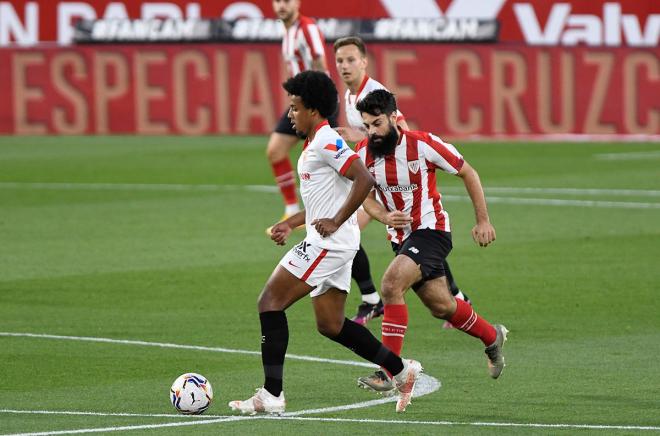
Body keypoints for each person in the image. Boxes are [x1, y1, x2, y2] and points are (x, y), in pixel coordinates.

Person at [228, 71, 423, 415]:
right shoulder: (314, 144)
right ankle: (401, 370)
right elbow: (324, 199)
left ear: (314, 110)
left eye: (295, 107)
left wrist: (336, 220)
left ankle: (271, 396)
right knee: (330, 325)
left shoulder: (326, 141)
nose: (290, 115)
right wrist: (290, 223)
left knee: (269, 303)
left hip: (328, 245)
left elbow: (361, 178)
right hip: (333, 242)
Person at [352, 89, 508, 394]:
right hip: (401, 239)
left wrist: (483, 220)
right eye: (367, 126)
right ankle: (492, 336)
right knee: (443, 306)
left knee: (390, 284)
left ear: (395, 118)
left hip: (432, 231)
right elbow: (366, 197)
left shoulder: (423, 144)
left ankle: (390, 371)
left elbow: (468, 172)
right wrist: (384, 217)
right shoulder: (363, 154)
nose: (372, 132)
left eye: (378, 124)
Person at [333, 36, 472, 328]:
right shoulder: (348, 96)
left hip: (394, 178)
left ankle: (371, 297)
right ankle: (456, 297)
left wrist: (357, 138)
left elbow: (402, 133)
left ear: (364, 62)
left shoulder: (375, 92)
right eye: (340, 61)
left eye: (350, 60)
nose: (344, 66)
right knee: (412, 236)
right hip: (377, 179)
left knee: (358, 230)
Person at [266, 0, 337, 234]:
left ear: (297, 3)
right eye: (277, 1)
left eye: (286, 1)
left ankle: (346, 209)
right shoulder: (288, 31)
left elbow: (319, 63)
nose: (281, 6)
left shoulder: (307, 28)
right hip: (300, 103)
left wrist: (320, 102)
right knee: (275, 151)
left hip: (314, 103)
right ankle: (291, 208)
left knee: (332, 163)